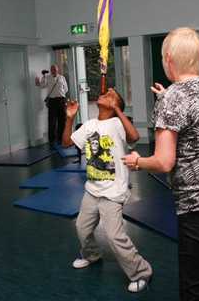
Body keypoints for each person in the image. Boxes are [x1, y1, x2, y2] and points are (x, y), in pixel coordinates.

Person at [122, 27, 199, 301]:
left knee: (194, 290)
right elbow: (195, 113)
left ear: (168, 58)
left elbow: (164, 162)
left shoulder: (172, 99)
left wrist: (138, 161)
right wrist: (167, 97)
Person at [63, 88, 153, 293]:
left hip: (113, 192)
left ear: (115, 105)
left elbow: (134, 137)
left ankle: (141, 272)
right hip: (92, 190)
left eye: (111, 95)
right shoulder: (89, 125)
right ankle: (92, 255)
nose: (104, 94)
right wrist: (69, 118)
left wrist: (118, 111)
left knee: (114, 236)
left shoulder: (118, 123)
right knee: (82, 228)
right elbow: (66, 143)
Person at [35, 64, 68, 145]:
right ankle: (52, 141)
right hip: (52, 101)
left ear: (58, 70)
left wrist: (61, 94)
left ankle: (60, 138)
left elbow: (66, 89)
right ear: (51, 70)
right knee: (52, 121)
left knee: (62, 120)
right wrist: (38, 82)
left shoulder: (62, 77)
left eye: (55, 69)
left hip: (61, 100)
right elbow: (42, 85)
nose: (54, 71)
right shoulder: (47, 78)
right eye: (52, 69)